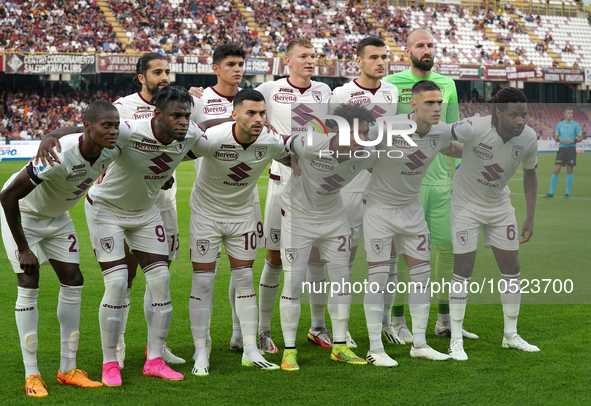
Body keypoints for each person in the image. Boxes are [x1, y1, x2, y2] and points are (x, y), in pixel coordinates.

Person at [0, 101, 119, 397]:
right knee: (29, 282)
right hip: (23, 215)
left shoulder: (112, 145)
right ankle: (32, 374)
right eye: (107, 126)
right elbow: (8, 197)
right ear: (90, 127)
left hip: (57, 218)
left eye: (116, 125)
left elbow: (78, 128)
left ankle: (67, 369)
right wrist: (24, 249)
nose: (114, 131)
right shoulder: (58, 155)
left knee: (74, 280)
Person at [383, 28, 477, 343]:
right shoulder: (391, 85)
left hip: (440, 180)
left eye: (430, 45)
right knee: (400, 254)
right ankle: (396, 320)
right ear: (406, 50)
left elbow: (450, 133)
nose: (426, 49)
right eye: (420, 45)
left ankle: (444, 319)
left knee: (450, 247)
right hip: (403, 182)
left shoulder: (447, 84)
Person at [188, 89, 289, 375]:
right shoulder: (215, 138)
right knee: (203, 282)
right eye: (250, 113)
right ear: (235, 114)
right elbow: (176, 155)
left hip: (243, 216)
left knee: (244, 278)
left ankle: (250, 349)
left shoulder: (270, 141)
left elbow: (294, 158)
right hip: (206, 215)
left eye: (262, 113)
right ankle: (200, 351)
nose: (258, 119)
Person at [362, 80, 463, 365]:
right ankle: (375, 349)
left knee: (421, 277)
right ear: (414, 104)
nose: (436, 108)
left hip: (412, 211)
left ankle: (419, 343)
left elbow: (454, 148)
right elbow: (358, 150)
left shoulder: (441, 131)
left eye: (439, 103)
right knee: (378, 279)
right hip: (379, 210)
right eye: (429, 103)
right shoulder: (386, 126)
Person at [279, 103, 376, 370]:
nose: (365, 140)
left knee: (342, 279)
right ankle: (289, 351)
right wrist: (289, 157)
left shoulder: (367, 154)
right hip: (298, 217)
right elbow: (277, 142)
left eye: (368, 133)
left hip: (334, 218)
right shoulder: (311, 143)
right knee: (293, 281)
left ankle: (341, 346)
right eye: (360, 133)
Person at [447, 87, 540, 360]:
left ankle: (510, 335)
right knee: (463, 268)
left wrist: (531, 216)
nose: (520, 121)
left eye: (523, 115)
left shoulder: (529, 138)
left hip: (499, 207)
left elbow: (530, 175)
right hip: (465, 204)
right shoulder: (475, 126)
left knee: (512, 268)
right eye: (514, 115)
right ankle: (455, 339)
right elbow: (443, 134)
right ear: (498, 113)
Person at [255, 38, 334, 352]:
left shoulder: (324, 91)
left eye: (313, 56)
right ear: (287, 61)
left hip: (315, 185)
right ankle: (263, 330)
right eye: (303, 56)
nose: (310, 60)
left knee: (317, 257)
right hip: (281, 180)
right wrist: (199, 94)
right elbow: (237, 102)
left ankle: (318, 327)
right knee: (274, 257)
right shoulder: (270, 90)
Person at [189, 44, 265, 354]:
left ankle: (239, 334)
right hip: (209, 197)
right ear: (216, 68)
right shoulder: (199, 100)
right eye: (230, 64)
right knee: (205, 277)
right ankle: (202, 343)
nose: (237, 69)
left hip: (247, 197)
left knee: (243, 271)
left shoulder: (255, 98)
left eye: (241, 63)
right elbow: (187, 134)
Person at [111, 53, 185, 366]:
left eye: (167, 71)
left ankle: (156, 347)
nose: (164, 76)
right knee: (123, 279)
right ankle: (116, 345)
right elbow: (111, 151)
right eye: (157, 72)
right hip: (129, 207)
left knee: (160, 278)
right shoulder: (122, 107)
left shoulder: (180, 107)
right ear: (141, 78)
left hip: (164, 205)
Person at [329, 37, 402, 345]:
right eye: (373, 57)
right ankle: (340, 331)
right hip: (351, 183)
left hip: (385, 184)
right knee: (344, 258)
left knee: (390, 257)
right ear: (358, 61)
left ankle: (388, 324)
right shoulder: (342, 93)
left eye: (384, 56)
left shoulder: (392, 91)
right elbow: (334, 135)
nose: (380, 62)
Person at [542, 107, 582, 198]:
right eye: (568, 113)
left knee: (570, 170)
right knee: (556, 170)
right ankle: (551, 193)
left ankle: (567, 193)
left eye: (571, 113)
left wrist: (573, 140)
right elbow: (556, 138)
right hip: (562, 150)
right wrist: (559, 139)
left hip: (571, 149)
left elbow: (580, 138)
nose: (570, 115)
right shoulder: (559, 125)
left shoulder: (575, 125)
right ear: (564, 114)